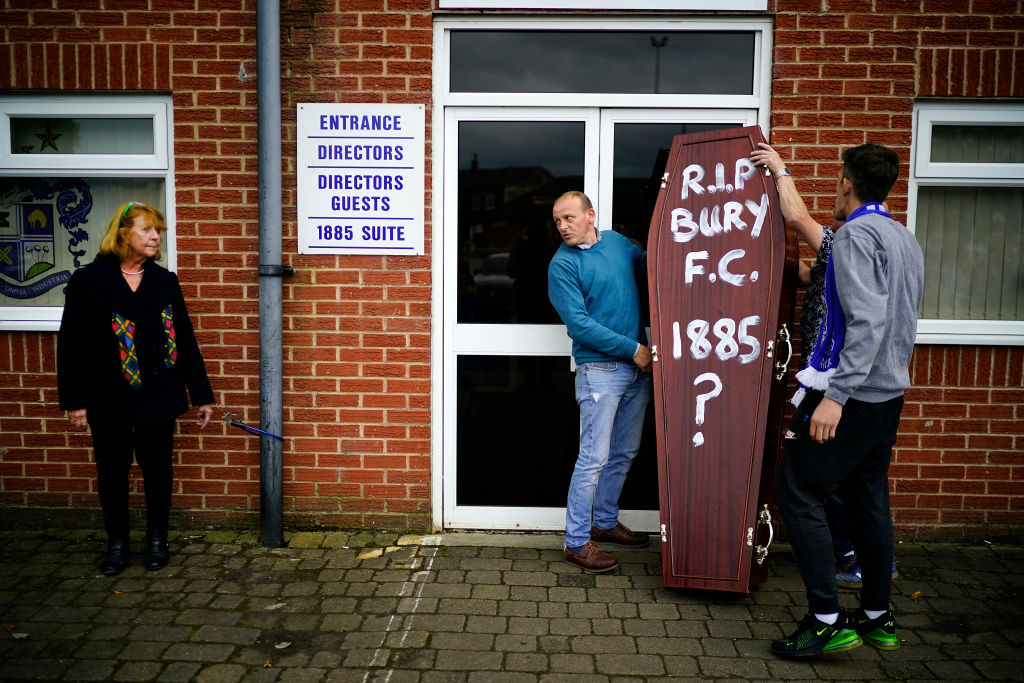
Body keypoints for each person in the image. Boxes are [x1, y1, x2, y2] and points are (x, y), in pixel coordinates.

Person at [753, 144, 924, 658]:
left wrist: (837, 397)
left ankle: (826, 621)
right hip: (887, 397)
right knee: (870, 499)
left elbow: (867, 323)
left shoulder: (854, 236)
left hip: (848, 396)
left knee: (798, 491)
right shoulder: (903, 238)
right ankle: (876, 616)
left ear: (847, 181)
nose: (834, 186)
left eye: (836, 179)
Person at [58, 201, 214, 576]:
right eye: (146, 229)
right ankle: (118, 543)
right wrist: (75, 401)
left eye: (157, 230)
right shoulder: (88, 281)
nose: (155, 236)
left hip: (157, 392)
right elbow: (70, 344)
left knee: (158, 469)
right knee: (111, 471)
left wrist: (202, 395)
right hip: (107, 393)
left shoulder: (165, 281)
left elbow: (186, 341)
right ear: (124, 234)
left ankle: (157, 540)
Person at [547, 191, 653, 573]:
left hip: (636, 369)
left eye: (569, 218)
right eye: (558, 221)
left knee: (624, 452)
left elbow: (655, 270)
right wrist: (634, 349)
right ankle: (576, 542)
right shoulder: (562, 266)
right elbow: (580, 326)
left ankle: (604, 522)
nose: (562, 226)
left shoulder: (620, 245)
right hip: (601, 371)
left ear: (590, 215)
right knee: (593, 459)